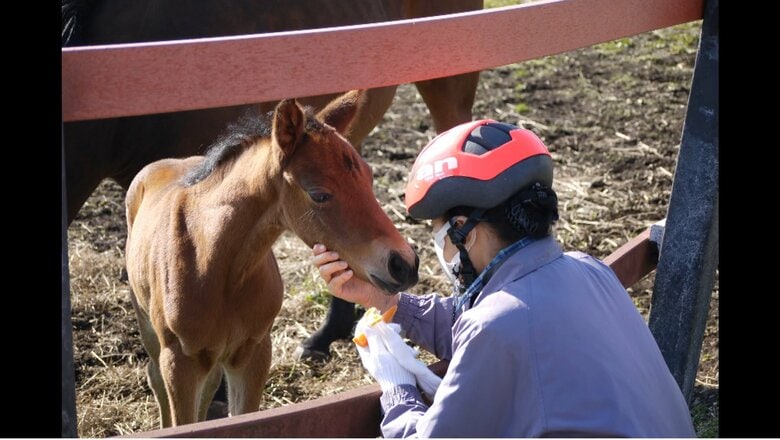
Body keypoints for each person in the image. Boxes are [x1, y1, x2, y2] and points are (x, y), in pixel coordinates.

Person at [311, 119, 696, 437]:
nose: (437, 246)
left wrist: (396, 388)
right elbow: (504, 330)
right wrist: (386, 302)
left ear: (464, 231)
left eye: (437, 231)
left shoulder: (497, 326)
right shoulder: (589, 271)